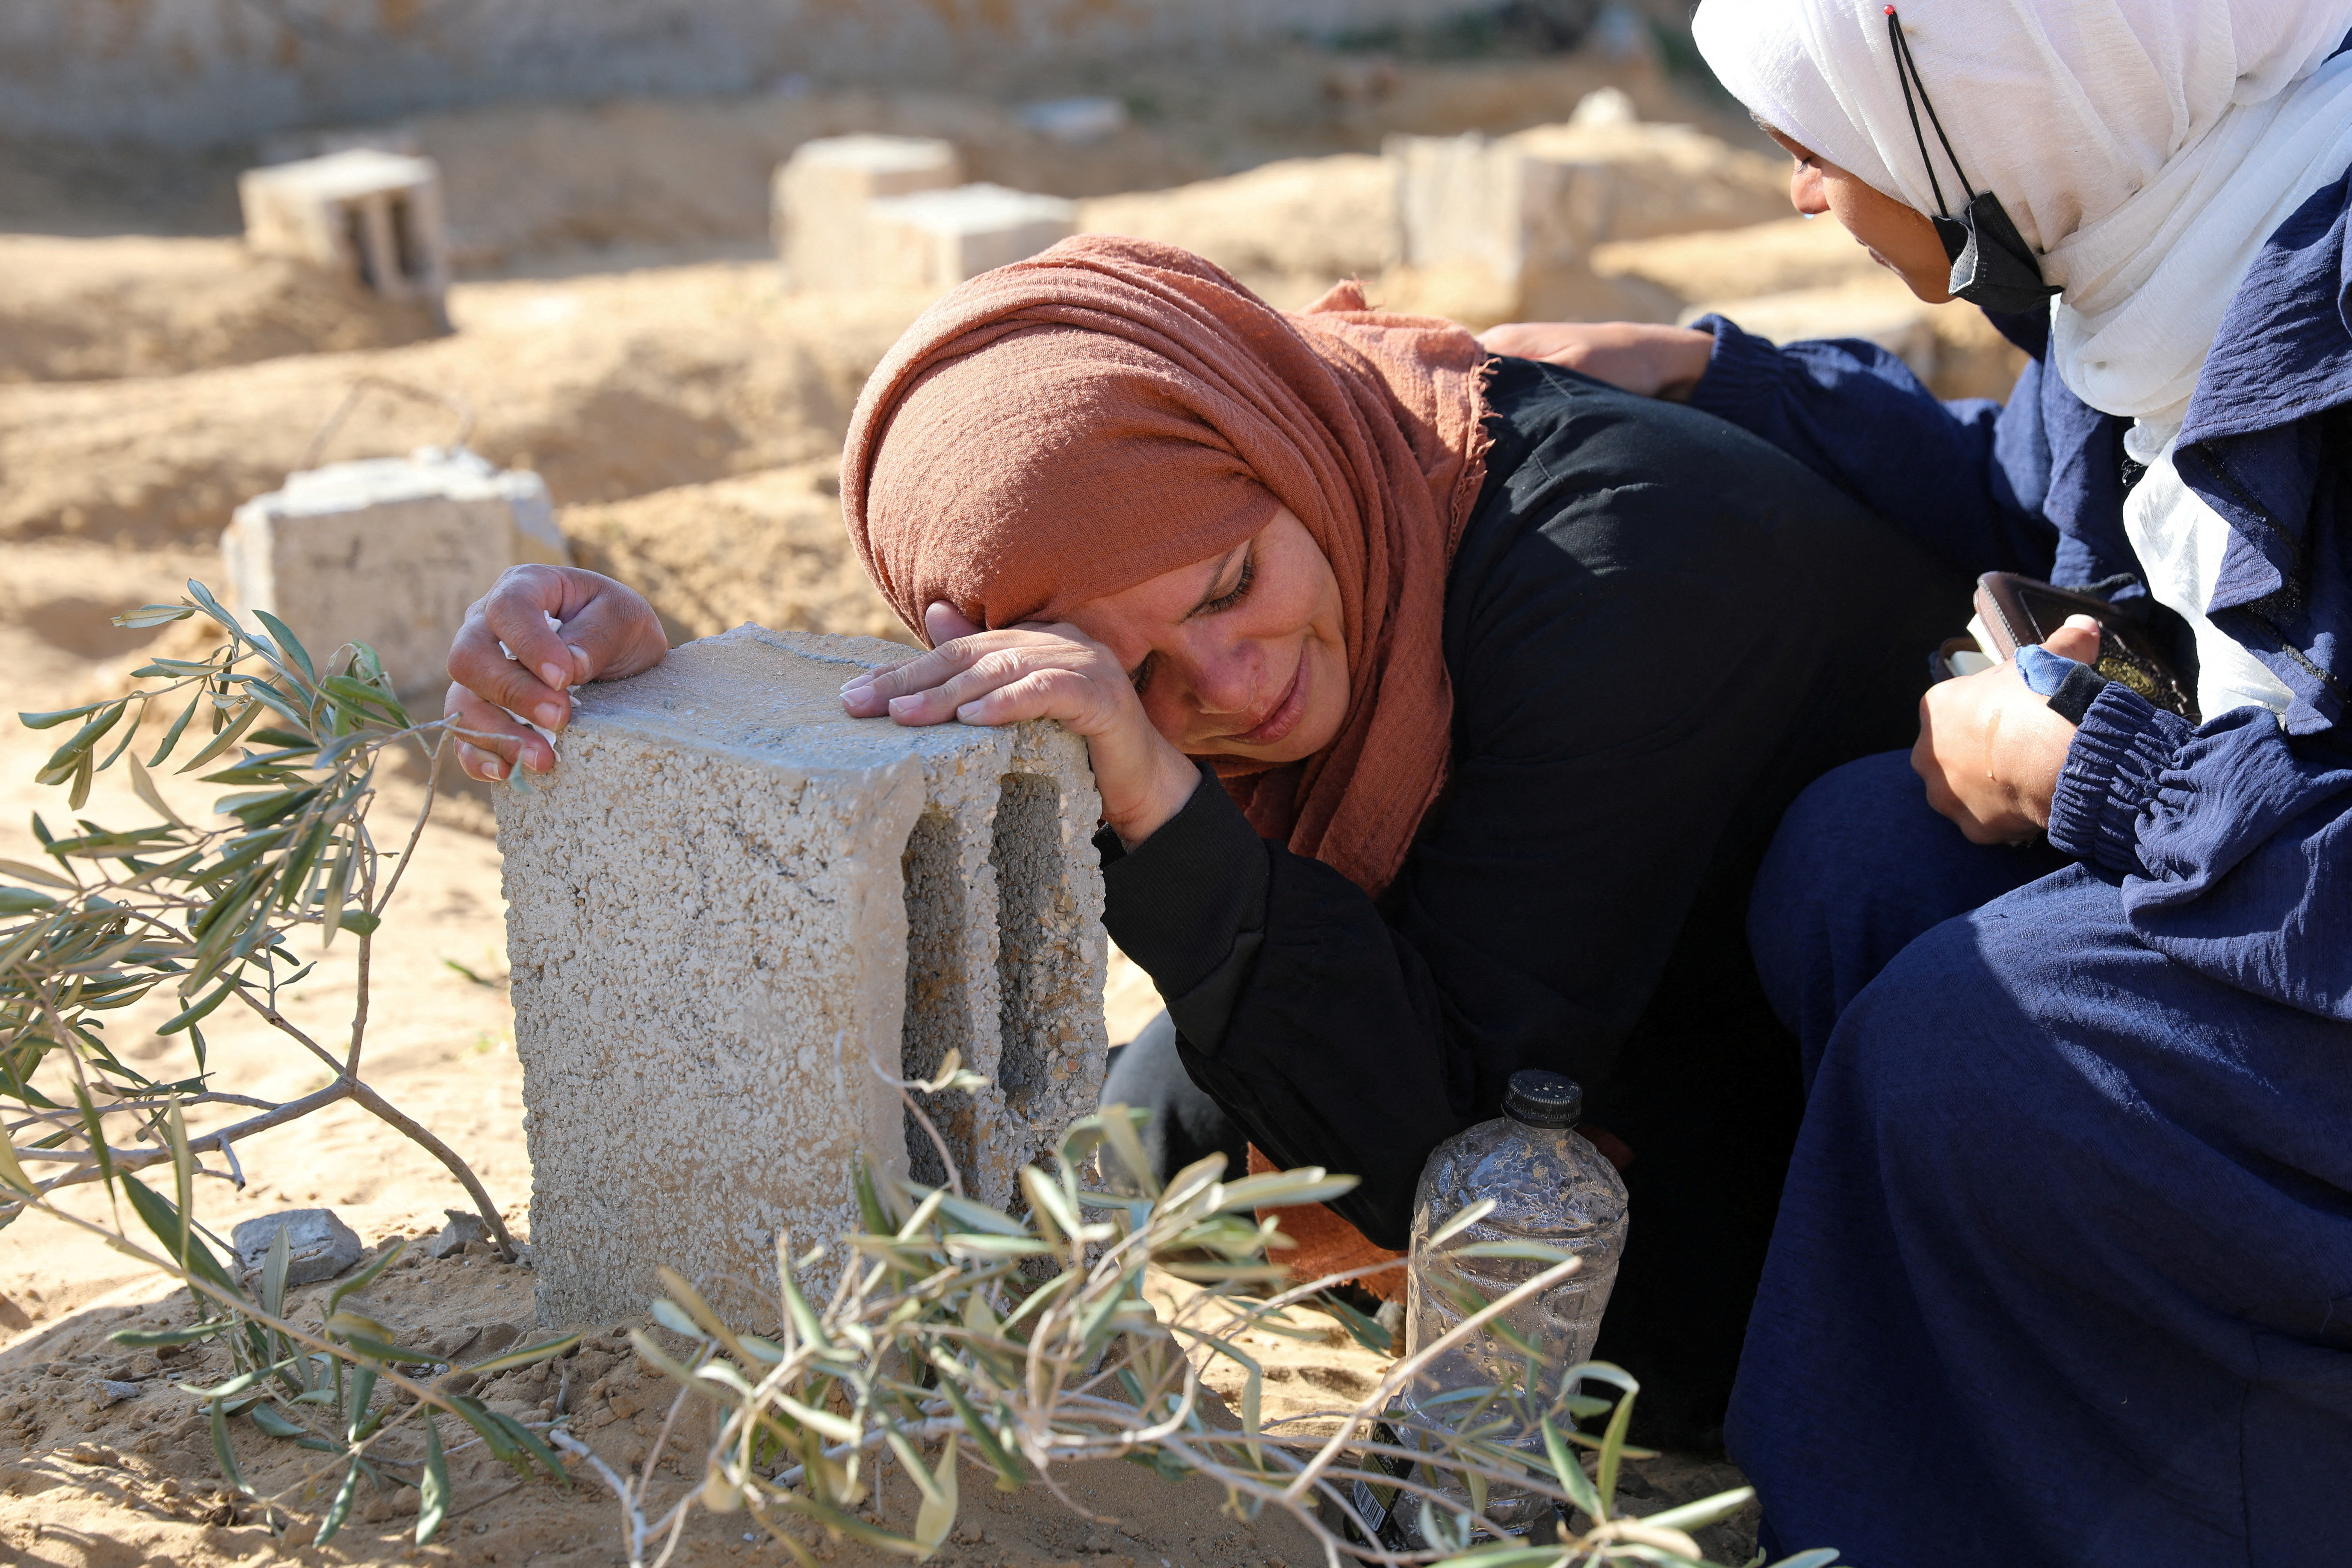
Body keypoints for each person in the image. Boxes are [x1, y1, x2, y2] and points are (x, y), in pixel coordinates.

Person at [443, 234, 1964, 1443]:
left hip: (1824, 1098)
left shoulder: (1621, 571)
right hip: (1541, 981)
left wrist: (1154, 784)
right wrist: (678, 674)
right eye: (1143, 677)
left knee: (1558, 1291)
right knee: (1153, 1120)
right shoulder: (1315, 488)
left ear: (1276, 451)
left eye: (1230, 582)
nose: (1231, 686)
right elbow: (1013, 686)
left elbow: (1428, 1155)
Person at [1492, 0, 2352, 1560]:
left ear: (1993, 101)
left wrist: (2096, 772)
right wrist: (1712, 374)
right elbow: (2035, 483)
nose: (1803, 192)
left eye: (1815, 139)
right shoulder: (2179, 229)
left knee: (1975, 1034)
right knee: (1863, 861)